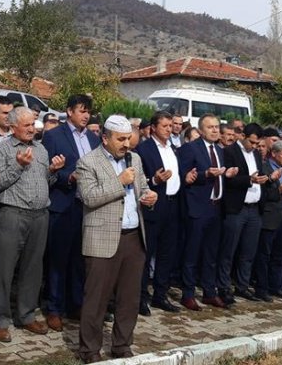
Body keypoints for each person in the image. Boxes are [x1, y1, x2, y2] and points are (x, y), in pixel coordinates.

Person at [76, 115, 157, 363]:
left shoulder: (136, 159)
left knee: (129, 298)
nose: (126, 144)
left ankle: (122, 345)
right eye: (120, 139)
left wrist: (150, 197)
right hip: (102, 237)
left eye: (128, 139)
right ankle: (89, 350)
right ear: (105, 138)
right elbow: (88, 197)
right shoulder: (88, 162)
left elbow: (142, 188)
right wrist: (119, 182)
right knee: (96, 299)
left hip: (133, 237)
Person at [0, 107, 65, 342]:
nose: (33, 129)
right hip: (13, 215)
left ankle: (26, 315)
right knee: (4, 269)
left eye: (34, 124)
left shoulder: (40, 149)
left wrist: (53, 170)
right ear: (12, 127)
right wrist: (18, 165)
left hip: (40, 215)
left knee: (33, 269)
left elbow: (46, 181)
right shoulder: (1, 150)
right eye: (27, 125)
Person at [41, 94, 100, 331]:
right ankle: (54, 308)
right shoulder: (54, 136)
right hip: (63, 204)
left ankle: (76, 303)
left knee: (80, 259)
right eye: (81, 110)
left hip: (87, 207)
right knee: (58, 259)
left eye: (88, 111)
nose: (86, 115)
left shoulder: (95, 140)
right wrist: (68, 177)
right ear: (69, 112)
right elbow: (45, 170)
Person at [177, 114, 237, 310]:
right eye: (210, 127)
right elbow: (185, 176)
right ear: (201, 130)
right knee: (192, 253)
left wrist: (226, 175)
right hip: (197, 208)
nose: (215, 130)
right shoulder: (190, 148)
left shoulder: (219, 151)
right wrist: (205, 174)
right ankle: (188, 294)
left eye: (217, 127)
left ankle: (209, 292)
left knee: (211, 254)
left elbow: (219, 176)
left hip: (216, 207)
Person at [134, 111, 182, 316]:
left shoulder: (173, 148)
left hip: (173, 204)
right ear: (153, 127)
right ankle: (140, 297)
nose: (169, 129)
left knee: (167, 252)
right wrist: (155, 181)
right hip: (153, 204)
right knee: (147, 253)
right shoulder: (144, 149)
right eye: (165, 126)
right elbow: (138, 180)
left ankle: (160, 295)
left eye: (171, 126)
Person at [218, 123, 268, 303]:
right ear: (242, 136)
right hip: (236, 208)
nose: (254, 147)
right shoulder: (229, 152)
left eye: (257, 144)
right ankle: (224, 287)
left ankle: (243, 285)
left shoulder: (255, 154)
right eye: (252, 142)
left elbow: (258, 174)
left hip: (254, 208)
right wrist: (249, 179)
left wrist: (262, 179)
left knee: (248, 251)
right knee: (229, 250)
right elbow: (228, 180)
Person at [252, 140, 282, 301]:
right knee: (264, 255)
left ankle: (275, 286)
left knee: (279, 254)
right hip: (270, 217)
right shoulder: (265, 168)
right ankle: (262, 288)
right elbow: (262, 194)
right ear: (274, 154)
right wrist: (278, 189)